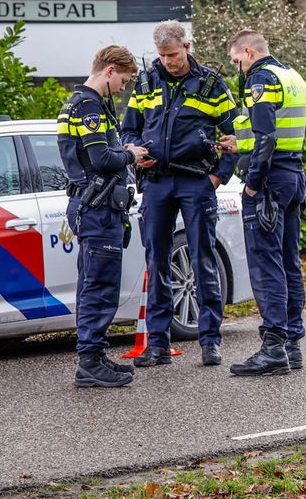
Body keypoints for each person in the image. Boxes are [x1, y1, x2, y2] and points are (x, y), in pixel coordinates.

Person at [120, 20, 237, 368]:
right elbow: (129, 128)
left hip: (196, 181)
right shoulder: (145, 81)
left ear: (186, 46)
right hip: (156, 182)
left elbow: (234, 135)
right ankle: (157, 343)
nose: (168, 61)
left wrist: (218, 177)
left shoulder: (212, 84)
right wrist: (137, 150)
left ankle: (210, 341)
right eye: (162, 55)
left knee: (203, 258)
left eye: (172, 54)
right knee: (157, 260)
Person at [58, 45, 148, 387]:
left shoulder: (75, 104)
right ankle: (91, 363)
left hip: (92, 206)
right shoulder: (89, 106)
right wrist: (131, 155)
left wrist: (120, 152)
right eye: (122, 81)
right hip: (97, 208)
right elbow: (100, 160)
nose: (122, 88)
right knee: (100, 286)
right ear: (109, 70)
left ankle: (94, 356)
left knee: (93, 283)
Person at [226, 29, 306, 376]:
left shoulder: (260, 78)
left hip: (269, 183)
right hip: (292, 176)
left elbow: (266, 137)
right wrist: (239, 144)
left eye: (236, 60)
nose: (237, 67)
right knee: (289, 260)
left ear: (248, 52)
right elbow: (274, 133)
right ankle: (291, 344)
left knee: (266, 264)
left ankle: (272, 346)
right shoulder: (292, 76)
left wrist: (252, 185)